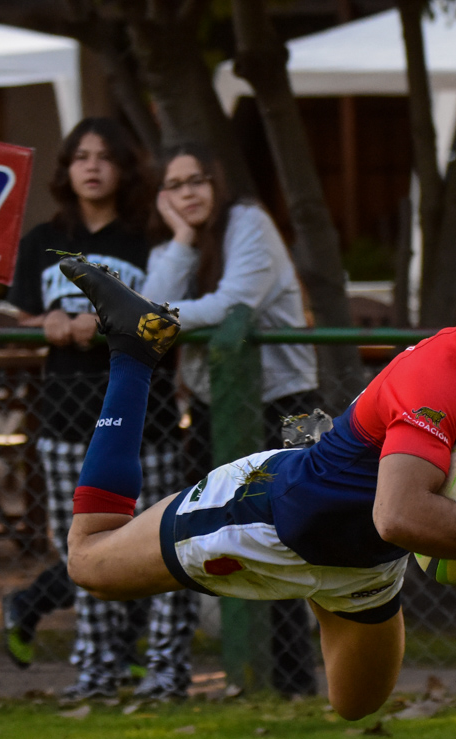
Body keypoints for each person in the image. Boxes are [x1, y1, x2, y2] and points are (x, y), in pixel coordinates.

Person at [52, 226, 456, 739]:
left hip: (362, 571)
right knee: (89, 559)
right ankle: (136, 350)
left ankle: (328, 482)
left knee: (355, 705)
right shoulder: (442, 373)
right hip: (264, 519)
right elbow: (400, 515)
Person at [3, 117, 195, 701]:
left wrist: (112, 324)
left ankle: (166, 672)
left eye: (104, 156)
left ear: (124, 168)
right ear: (66, 169)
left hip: (148, 421)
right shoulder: (41, 239)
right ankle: (97, 674)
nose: (91, 166)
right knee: (85, 556)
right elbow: (17, 315)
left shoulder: (146, 239)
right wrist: (49, 322)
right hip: (65, 420)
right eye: (81, 156)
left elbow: (173, 311)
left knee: (164, 545)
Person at [142, 143, 323, 698]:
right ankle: (245, 675)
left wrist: (154, 319)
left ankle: (294, 682)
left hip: (289, 406)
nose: (189, 192)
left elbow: (232, 305)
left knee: (291, 537)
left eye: (198, 179)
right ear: (163, 196)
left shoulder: (249, 222)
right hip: (212, 408)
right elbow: (147, 302)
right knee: (218, 537)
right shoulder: (185, 244)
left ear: (217, 182)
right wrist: (179, 239)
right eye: (175, 185)